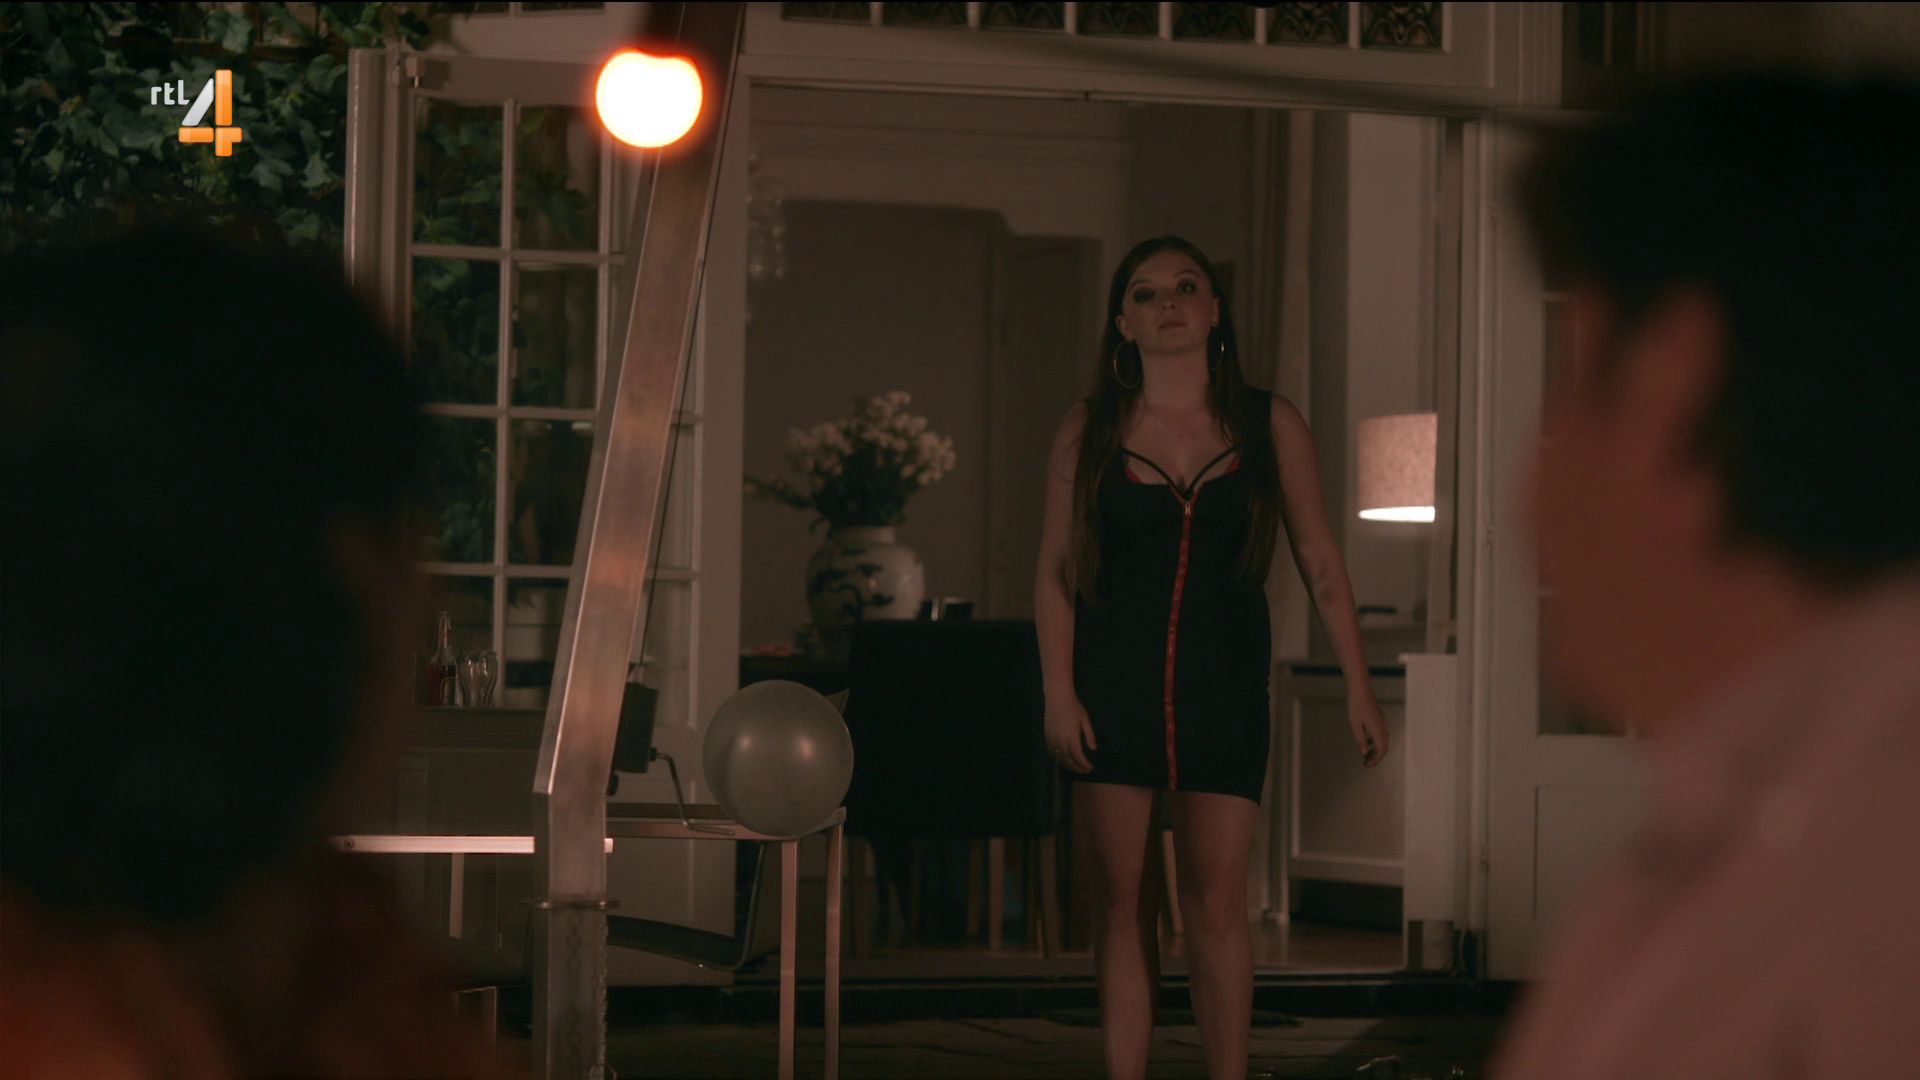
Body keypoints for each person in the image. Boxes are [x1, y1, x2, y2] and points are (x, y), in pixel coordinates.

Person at [0, 228, 517, 1078]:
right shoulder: (313, 985)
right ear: (350, 578)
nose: (433, 598)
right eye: (411, 546)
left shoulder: (333, 963)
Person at [1492, 72, 1920, 1077]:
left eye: (1571, 383)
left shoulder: (1847, 909)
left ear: (1669, 392)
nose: (1529, 488)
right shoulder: (1743, 832)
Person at [1033, 235, 1389, 1080]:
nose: (1169, 303)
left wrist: (1359, 686)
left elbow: (1322, 562)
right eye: (1147, 293)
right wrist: (1058, 694)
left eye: (1187, 286)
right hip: (1112, 688)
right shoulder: (1089, 429)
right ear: (1123, 322)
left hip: (1224, 688)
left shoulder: (1270, 424)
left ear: (1215, 310)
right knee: (1122, 902)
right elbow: (1053, 571)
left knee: (1217, 901)